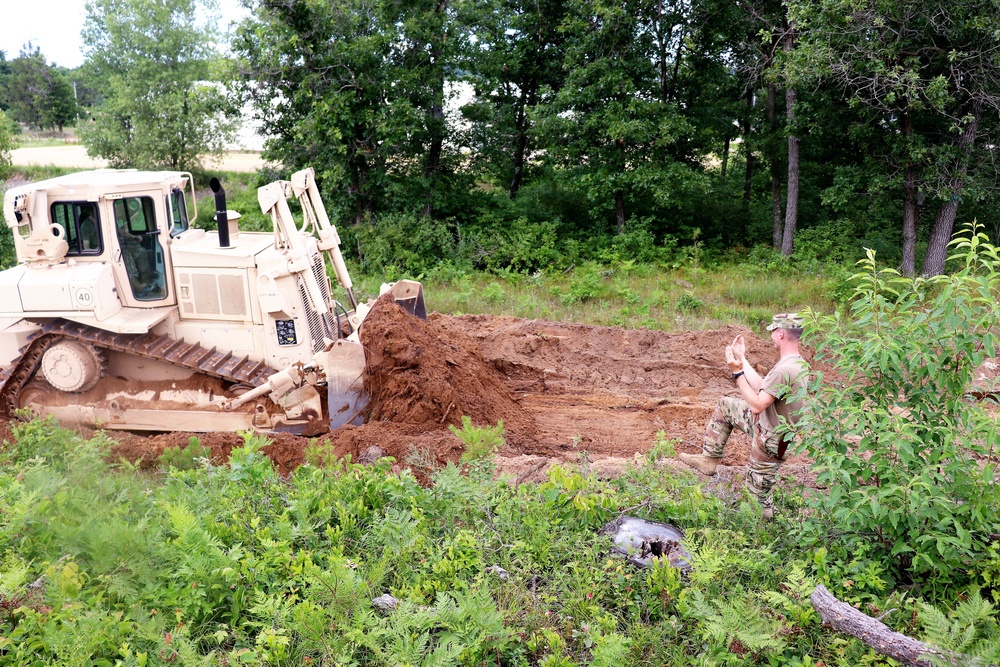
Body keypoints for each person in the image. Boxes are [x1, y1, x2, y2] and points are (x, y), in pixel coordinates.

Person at [678, 313, 810, 520]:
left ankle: (762, 538)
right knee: (727, 406)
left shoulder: (785, 368)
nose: (771, 336)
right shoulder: (796, 363)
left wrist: (737, 374)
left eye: (773, 331)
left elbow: (757, 404)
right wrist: (742, 360)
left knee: (756, 500)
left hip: (773, 440)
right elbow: (763, 388)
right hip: (769, 427)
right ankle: (709, 460)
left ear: (781, 334)